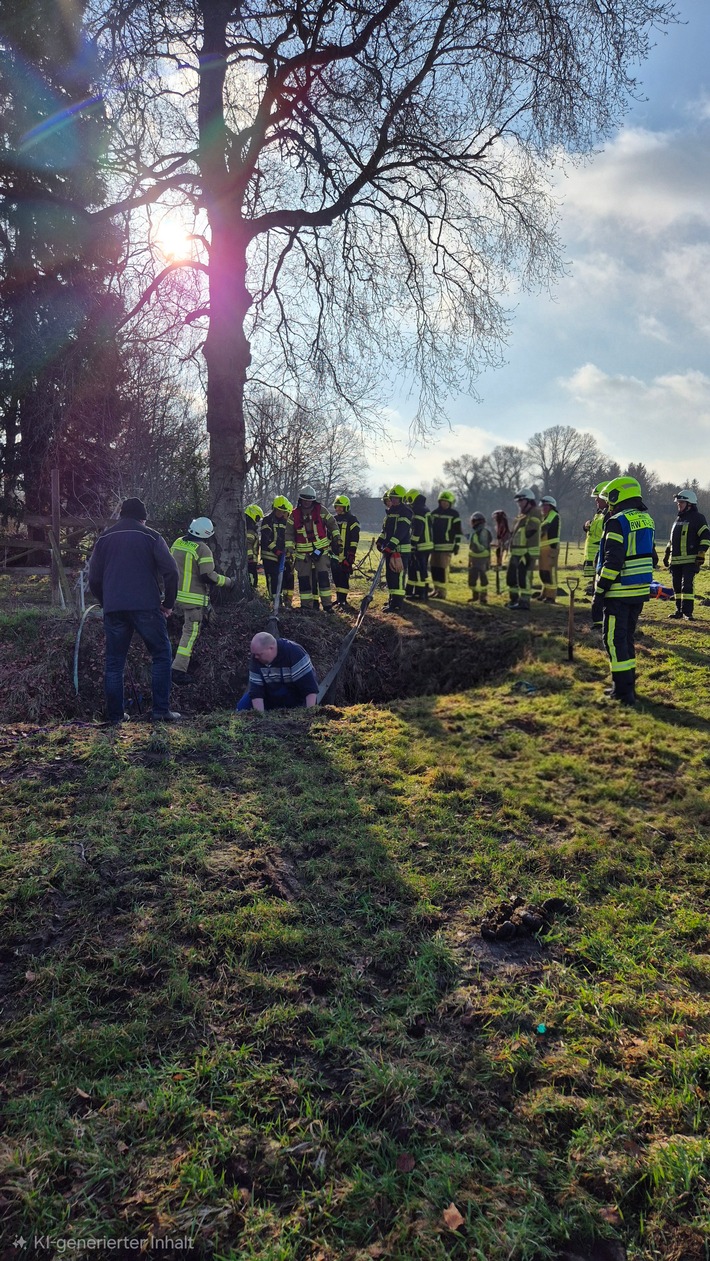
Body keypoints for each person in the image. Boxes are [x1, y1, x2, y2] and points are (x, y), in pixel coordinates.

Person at [88, 497, 180, 723]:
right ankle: (160, 711)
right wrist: (168, 604)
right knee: (160, 654)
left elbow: (93, 577)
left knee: (114, 663)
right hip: (146, 606)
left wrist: (105, 601)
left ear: (121, 515)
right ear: (143, 518)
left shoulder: (104, 538)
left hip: (114, 608)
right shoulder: (151, 536)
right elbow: (171, 572)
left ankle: (116, 717)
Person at [591, 475, 655, 705]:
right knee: (626, 639)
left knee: (613, 640)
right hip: (639, 591)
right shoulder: (646, 519)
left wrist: (599, 592)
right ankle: (628, 688)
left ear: (619, 496)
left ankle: (622, 692)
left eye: (610, 499)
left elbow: (613, 561)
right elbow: (652, 556)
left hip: (618, 591)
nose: (608, 503)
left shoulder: (617, 521)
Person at [170, 517, 234, 684]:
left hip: (174, 596)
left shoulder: (177, 542)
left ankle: (166, 661)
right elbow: (208, 576)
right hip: (193, 600)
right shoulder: (203, 548)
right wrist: (227, 582)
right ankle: (178, 670)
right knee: (189, 634)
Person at [286, 485, 342, 611]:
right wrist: (289, 549)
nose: (307, 502)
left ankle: (327, 605)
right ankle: (306, 606)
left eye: (309, 500)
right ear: (301, 500)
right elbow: (288, 533)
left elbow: (332, 524)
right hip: (303, 554)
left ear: (313, 500)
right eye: (304, 499)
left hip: (320, 551)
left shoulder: (321, 510)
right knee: (304, 580)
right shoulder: (294, 515)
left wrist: (337, 539)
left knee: (323, 578)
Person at [236, 632, 319, 710]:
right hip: (270, 696)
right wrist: (260, 717)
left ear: (271, 648)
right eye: (254, 654)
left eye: (259, 654)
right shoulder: (256, 659)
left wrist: (309, 714)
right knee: (243, 705)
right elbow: (256, 691)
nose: (255, 657)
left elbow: (309, 689)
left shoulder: (294, 653)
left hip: (294, 697)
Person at [663, 489, 710, 620]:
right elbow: (672, 539)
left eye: (681, 503)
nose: (679, 505)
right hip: (675, 561)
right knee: (676, 587)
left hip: (690, 560)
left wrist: (701, 552)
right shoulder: (678, 519)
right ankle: (678, 610)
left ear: (690, 504)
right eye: (678, 503)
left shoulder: (698, 518)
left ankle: (687, 613)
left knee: (687, 586)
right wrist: (667, 554)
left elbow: (706, 536)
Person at [376, 484, 412, 612]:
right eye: (393, 498)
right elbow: (385, 530)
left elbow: (401, 532)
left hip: (401, 551)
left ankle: (397, 605)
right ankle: (392, 601)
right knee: (391, 578)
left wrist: (390, 546)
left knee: (399, 578)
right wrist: (380, 541)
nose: (394, 500)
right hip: (391, 550)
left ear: (402, 498)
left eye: (397, 498)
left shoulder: (406, 512)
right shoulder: (390, 512)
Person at [506, 489, 541, 610]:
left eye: (521, 500)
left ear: (529, 500)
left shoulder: (535, 512)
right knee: (511, 577)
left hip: (528, 551)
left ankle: (524, 602)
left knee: (524, 577)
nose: (519, 503)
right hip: (516, 551)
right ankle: (514, 599)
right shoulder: (521, 515)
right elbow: (514, 532)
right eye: (518, 501)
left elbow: (531, 530)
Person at [261, 496, 295, 607]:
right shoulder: (267, 520)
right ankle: (275, 600)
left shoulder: (285, 522)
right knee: (273, 578)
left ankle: (285, 600)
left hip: (282, 555)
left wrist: (287, 552)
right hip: (270, 555)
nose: (281, 513)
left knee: (286, 577)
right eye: (279, 510)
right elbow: (266, 539)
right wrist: (276, 551)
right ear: (274, 509)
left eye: (283, 511)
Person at [430, 490, 463, 598]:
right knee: (434, 568)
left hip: (446, 546)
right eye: (443, 501)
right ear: (439, 502)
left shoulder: (454, 514)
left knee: (442, 569)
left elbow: (458, 531)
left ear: (450, 503)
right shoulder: (434, 513)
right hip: (434, 546)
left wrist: (457, 544)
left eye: (447, 502)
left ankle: (442, 592)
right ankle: (436, 590)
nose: (444, 504)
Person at [330, 494, 360, 608]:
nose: (338, 509)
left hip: (346, 555)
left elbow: (354, 538)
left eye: (340, 507)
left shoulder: (352, 520)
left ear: (346, 507)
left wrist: (351, 554)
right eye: (336, 506)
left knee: (343, 578)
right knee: (336, 577)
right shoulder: (333, 520)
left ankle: (343, 600)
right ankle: (338, 599)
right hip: (334, 555)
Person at [405, 490, 433, 601]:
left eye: (409, 500)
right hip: (428, 544)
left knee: (420, 569)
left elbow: (418, 529)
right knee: (422, 569)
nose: (408, 503)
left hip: (421, 545)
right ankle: (421, 592)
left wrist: (412, 543)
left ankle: (421, 594)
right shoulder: (424, 508)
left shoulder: (418, 510)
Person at [583, 482, 609, 595]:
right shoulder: (599, 513)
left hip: (600, 554)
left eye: (598, 498)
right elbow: (593, 529)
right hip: (593, 554)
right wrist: (586, 525)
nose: (596, 500)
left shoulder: (610, 514)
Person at [537, 495, 561, 603]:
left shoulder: (553, 516)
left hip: (551, 549)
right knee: (543, 572)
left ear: (551, 506)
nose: (543, 508)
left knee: (550, 573)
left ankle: (551, 597)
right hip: (543, 549)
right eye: (542, 506)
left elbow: (543, 528)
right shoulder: (544, 517)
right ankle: (544, 593)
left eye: (546, 506)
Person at [467, 512, 493, 602]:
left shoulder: (480, 533)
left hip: (480, 559)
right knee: (481, 579)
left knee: (478, 579)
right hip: (479, 559)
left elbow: (477, 547)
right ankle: (480, 596)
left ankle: (480, 597)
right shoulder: (479, 532)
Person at [245, 504, 264, 589]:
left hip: (251, 560)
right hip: (250, 561)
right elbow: (248, 544)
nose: (258, 520)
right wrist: (250, 557)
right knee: (252, 579)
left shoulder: (249, 528)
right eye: (257, 517)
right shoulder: (250, 530)